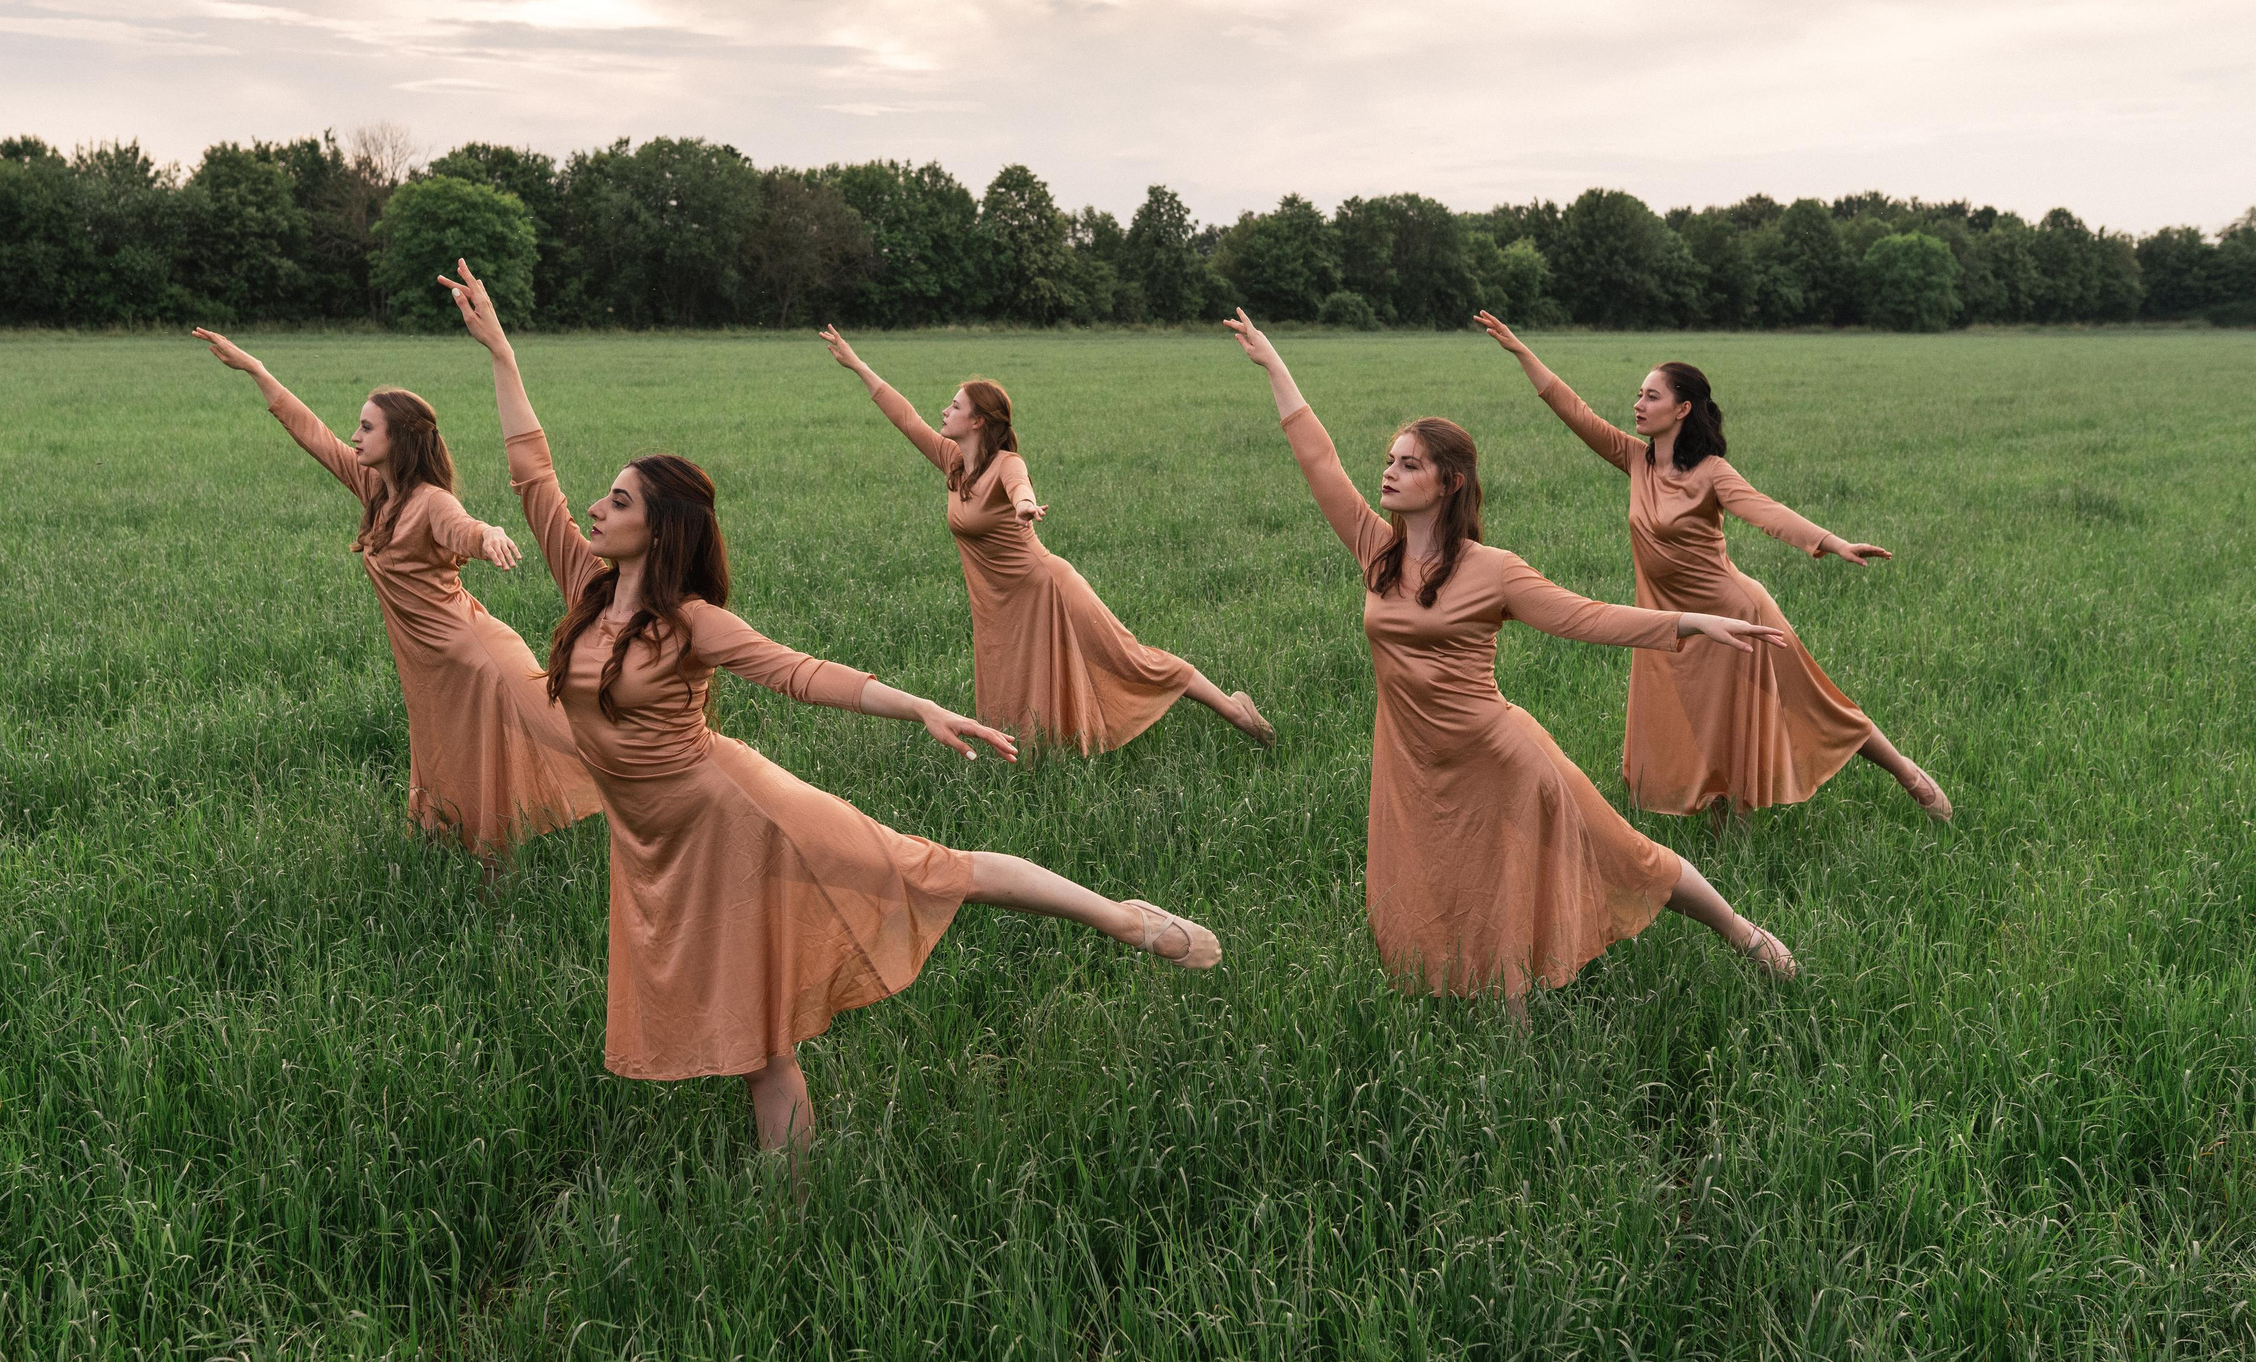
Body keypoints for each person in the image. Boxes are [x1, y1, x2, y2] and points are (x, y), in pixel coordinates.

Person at [441, 264, 1220, 1151]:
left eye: (617, 501)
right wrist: (501, 351)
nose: (593, 506)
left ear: (658, 529)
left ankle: (1122, 918)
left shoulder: (694, 621)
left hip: (738, 813)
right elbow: (528, 470)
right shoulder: (584, 580)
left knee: (928, 870)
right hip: (652, 839)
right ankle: (788, 1210)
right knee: (754, 1043)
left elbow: (802, 673)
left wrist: (920, 705)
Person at [1221, 310, 1799, 1014]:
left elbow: (1586, 616)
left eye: (1410, 464)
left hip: (1501, 756)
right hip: (1413, 760)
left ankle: (1742, 933)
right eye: (1390, 460)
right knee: (1451, 882)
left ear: (1450, 482)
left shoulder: (1492, 572)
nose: (1390, 472)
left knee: (1629, 858)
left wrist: (1693, 621)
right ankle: (1503, 1025)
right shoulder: (1377, 550)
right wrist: (1275, 364)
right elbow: (1317, 457)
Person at [1473, 311, 1951, 824]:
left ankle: (1909, 776)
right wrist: (1523, 352)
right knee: (1701, 721)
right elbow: (1575, 412)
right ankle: (1728, 832)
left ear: (1682, 408)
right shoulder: (1637, 460)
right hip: (1670, 620)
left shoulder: (1711, 472)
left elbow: (1763, 509)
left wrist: (1830, 541)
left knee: (1815, 705)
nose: (1638, 404)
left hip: (1738, 614)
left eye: (1651, 396)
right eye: (1639, 394)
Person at [191, 330, 601, 855]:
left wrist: (490, 536)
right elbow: (312, 434)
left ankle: (637, 787)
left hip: (475, 659)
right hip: (431, 664)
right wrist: (256, 369)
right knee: (445, 751)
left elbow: (466, 528)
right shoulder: (376, 490)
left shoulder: (431, 502)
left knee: (566, 737)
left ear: (399, 438)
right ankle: (450, 849)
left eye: (366, 427)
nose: (355, 436)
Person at [822, 328, 1274, 754]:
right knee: (1019, 678)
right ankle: (1037, 756)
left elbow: (1020, 486)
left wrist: (1025, 506)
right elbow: (906, 417)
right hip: (1003, 600)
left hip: (1048, 587)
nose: (944, 411)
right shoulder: (953, 462)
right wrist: (858, 365)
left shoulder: (1006, 463)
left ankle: (1237, 712)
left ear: (978, 422)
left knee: (1133, 660)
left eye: (955, 406)